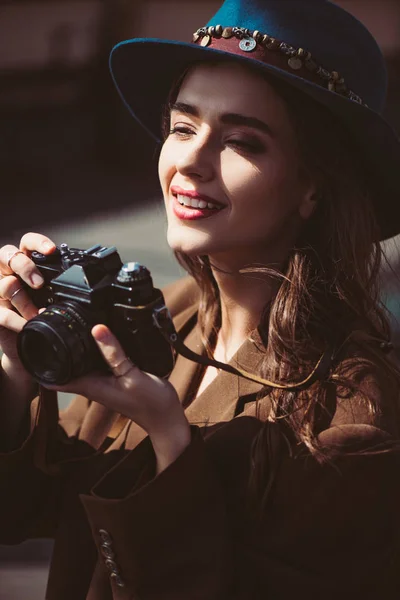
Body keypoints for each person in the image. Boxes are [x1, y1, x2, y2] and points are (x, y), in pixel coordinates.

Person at [1, 0, 400, 598]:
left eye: (242, 141)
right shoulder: (171, 313)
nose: (190, 159)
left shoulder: (351, 415)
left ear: (313, 188)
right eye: (183, 127)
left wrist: (168, 435)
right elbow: (24, 512)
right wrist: (13, 374)